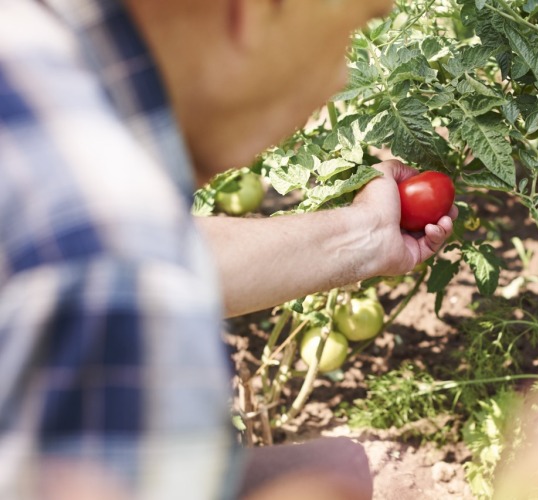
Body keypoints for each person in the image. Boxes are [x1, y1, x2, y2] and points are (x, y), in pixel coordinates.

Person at [0, 0, 455, 498]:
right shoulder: (113, 266)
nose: (338, 80)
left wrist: (365, 234)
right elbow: (122, 261)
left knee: (335, 464)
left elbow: (154, 248)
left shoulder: (29, 52)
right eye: (354, 27)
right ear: (255, 11)